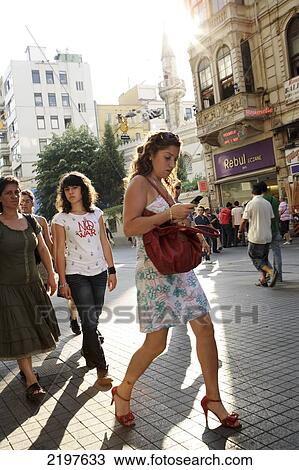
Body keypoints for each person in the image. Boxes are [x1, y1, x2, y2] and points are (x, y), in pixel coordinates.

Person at [111, 131, 241, 429]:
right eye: (167, 157)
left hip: (178, 268)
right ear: (150, 155)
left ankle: (214, 398)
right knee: (157, 343)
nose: (172, 164)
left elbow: (167, 223)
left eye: (175, 159)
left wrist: (185, 223)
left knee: (205, 327)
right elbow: (130, 226)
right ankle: (124, 390)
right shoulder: (139, 183)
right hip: (154, 270)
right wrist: (168, 213)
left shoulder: (165, 183)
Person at [52, 171, 117, 386]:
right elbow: (59, 250)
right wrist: (63, 281)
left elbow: (104, 242)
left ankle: (88, 351)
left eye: (74, 188)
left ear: (83, 190)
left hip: (99, 272)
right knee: (89, 321)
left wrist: (112, 269)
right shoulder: (60, 218)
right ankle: (102, 367)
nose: (70, 192)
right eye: (67, 189)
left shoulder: (96, 213)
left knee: (93, 319)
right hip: (76, 273)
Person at [0, 176, 60, 400]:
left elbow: (43, 249)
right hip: (7, 289)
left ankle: (28, 373)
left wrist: (52, 275)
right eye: (9, 192)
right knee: (21, 331)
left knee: (35, 328)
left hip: (33, 286)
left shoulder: (31, 221)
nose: (15, 196)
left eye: (17, 192)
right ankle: (31, 381)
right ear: (0, 197)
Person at [239, 183, 277, 287]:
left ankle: (271, 271)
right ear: (262, 192)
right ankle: (263, 279)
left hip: (256, 236)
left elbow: (243, 220)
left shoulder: (251, 204)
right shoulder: (267, 203)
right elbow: (272, 218)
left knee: (254, 256)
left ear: (252, 192)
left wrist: (239, 231)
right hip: (267, 236)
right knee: (263, 258)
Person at [51, 222, 81, 336]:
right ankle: (74, 319)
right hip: (68, 265)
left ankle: (91, 327)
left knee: (87, 300)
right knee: (73, 299)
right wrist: (58, 265)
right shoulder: (58, 221)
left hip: (84, 264)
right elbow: (56, 246)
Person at [260, 181, 283, 283]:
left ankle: (269, 274)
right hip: (275, 229)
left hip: (265, 231)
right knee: (277, 253)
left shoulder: (261, 200)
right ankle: (279, 277)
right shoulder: (274, 199)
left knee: (262, 255)